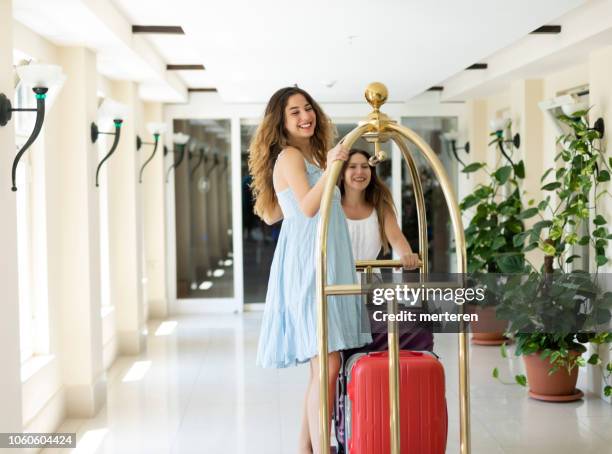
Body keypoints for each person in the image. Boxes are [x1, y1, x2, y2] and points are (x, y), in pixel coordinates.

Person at [249, 87, 371, 453]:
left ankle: (306, 447)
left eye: (308, 109)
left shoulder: (307, 156)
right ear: (281, 123)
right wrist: (334, 165)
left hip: (322, 261)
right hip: (310, 267)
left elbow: (277, 212)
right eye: (294, 112)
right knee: (329, 363)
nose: (305, 116)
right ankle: (321, 448)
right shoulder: (289, 155)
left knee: (323, 368)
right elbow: (306, 208)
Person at [340, 149, 420, 267]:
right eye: (352, 167)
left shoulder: (381, 207)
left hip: (371, 282)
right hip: (337, 283)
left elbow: (397, 238)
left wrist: (407, 255)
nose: (360, 171)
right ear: (342, 174)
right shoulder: (331, 207)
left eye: (365, 166)